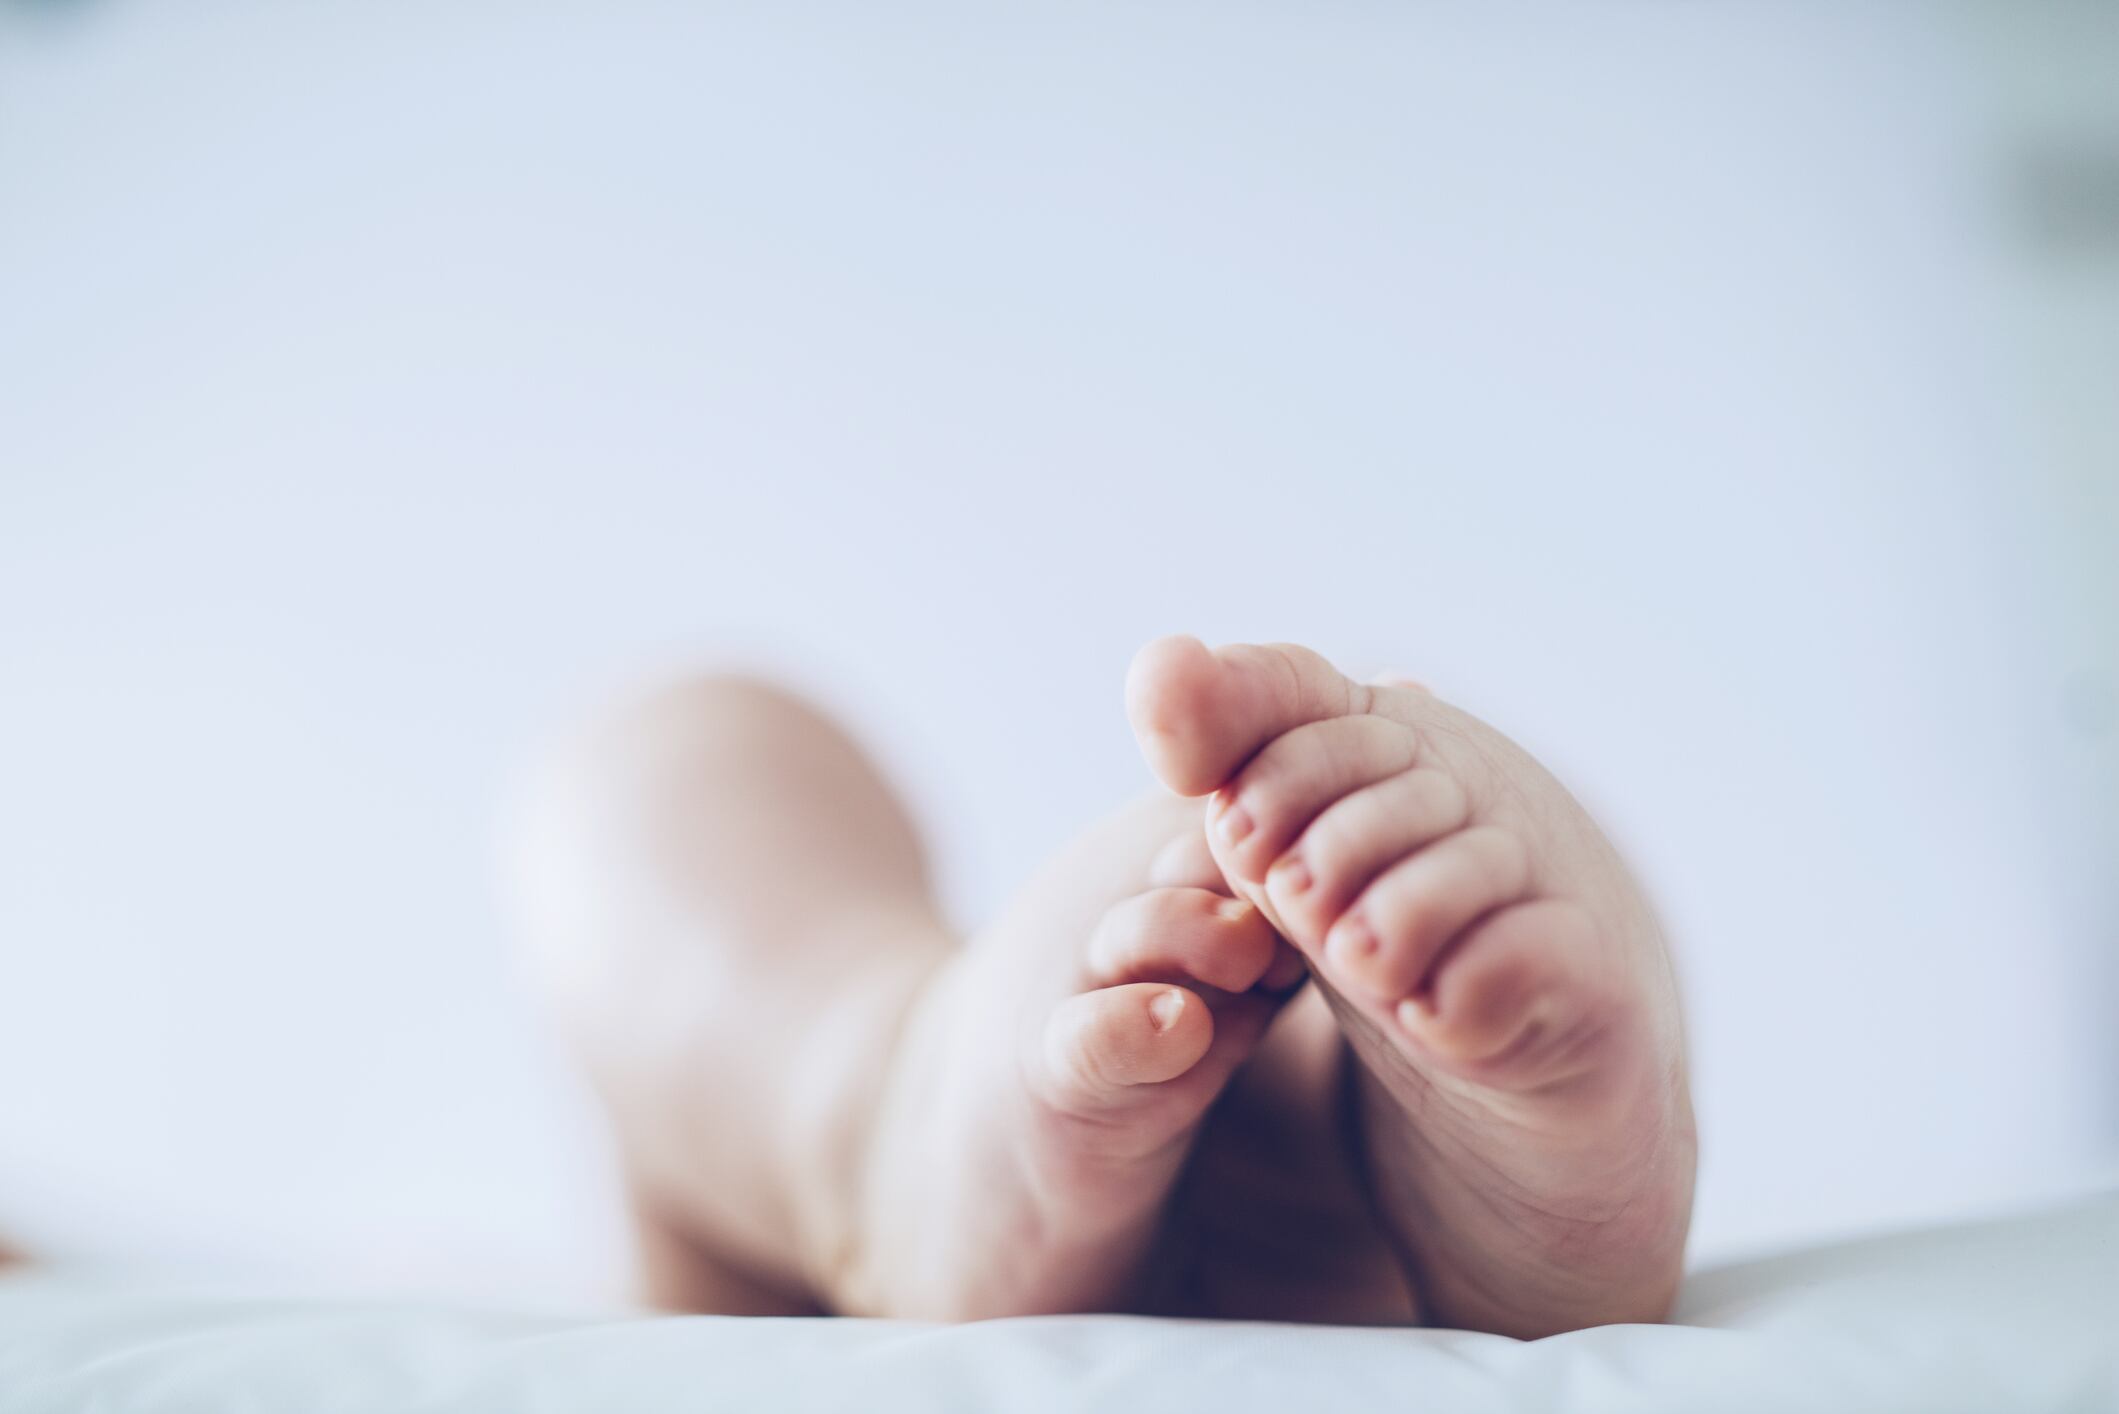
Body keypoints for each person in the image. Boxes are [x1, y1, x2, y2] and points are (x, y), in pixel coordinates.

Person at [506, 636, 1696, 1337]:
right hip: (1298, 1228)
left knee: (675, 754)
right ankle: (1354, 1106)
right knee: (687, 747)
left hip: (816, 1256)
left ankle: (884, 1105)